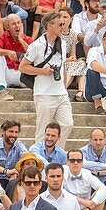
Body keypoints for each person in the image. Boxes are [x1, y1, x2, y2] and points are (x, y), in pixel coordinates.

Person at [19, 9, 73, 142]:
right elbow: (23, 67)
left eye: (64, 24)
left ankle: (57, 153)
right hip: (44, 93)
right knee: (42, 130)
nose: (63, 27)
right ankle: (39, 157)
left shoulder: (63, 43)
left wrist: (64, 87)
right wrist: (43, 71)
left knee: (67, 124)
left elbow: (63, 66)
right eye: (60, 25)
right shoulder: (36, 45)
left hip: (61, 93)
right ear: (49, 25)